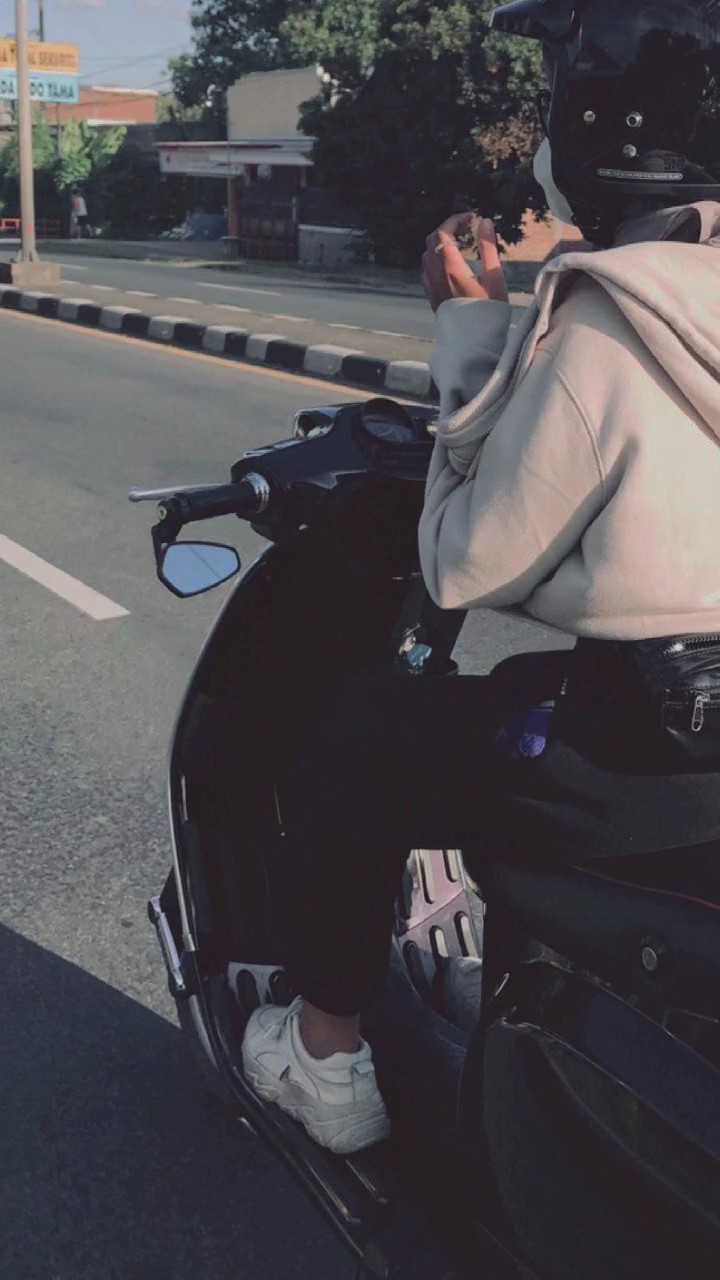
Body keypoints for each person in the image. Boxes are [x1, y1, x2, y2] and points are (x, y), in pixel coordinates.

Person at [242, 0, 720, 1155]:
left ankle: (324, 1053)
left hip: (641, 771)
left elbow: (467, 559)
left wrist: (469, 332)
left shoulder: (610, 318)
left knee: (367, 730)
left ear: (602, 116)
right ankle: (504, 979)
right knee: (526, 692)